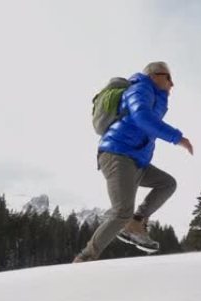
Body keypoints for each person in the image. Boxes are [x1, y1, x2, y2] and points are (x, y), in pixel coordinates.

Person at [74, 62, 193, 263]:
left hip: (136, 160)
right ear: (155, 75)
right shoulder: (140, 88)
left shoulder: (155, 97)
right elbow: (141, 117)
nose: (172, 84)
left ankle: (136, 223)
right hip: (117, 154)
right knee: (121, 211)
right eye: (169, 78)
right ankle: (85, 257)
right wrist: (178, 138)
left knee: (167, 183)